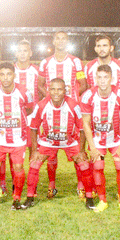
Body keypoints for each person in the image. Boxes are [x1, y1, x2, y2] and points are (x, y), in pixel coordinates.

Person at [24, 78, 94, 210]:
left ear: (65, 91)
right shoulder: (41, 105)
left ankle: (89, 197)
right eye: (53, 89)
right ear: (48, 90)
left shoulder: (74, 105)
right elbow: (33, 128)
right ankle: (30, 197)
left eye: (59, 89)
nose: (56, 92)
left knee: (83, 162)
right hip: (48, 141)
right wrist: (34, 150)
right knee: (34, 163)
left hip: (69, 141)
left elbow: (82, 128)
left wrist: (81, 149)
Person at [38, 31, 87, 197]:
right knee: (51, 150)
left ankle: (81, 185)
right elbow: (39, 84)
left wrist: (70, 99)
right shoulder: (45, 62)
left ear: (67, 41)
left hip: (71, 113)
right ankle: (52, 186)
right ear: (53, 41)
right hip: (52, 111)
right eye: (57, 38)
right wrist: (51, 99)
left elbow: (83, 84)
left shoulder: (76, 61)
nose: (60, 41)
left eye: (63, 38)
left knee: (76, 150)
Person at [81, 65, 120, 213]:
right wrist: (93, 147)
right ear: (95, 79)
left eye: (106, 77)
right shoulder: (87, 96)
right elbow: (86, 123)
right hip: (97, 139)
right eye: (99, 77)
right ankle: (103, 200)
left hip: (116, 138)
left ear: (112, 78)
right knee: (97, 167)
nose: (102, 81)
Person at [0, 62, 34, 210]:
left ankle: (17, 197)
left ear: (14, 75)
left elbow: (30, 108)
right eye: (2, 74)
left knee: (18, 167)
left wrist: (17, 120)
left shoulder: (24, 91)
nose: (6, 77)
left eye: (9, 74)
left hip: (18, 138)